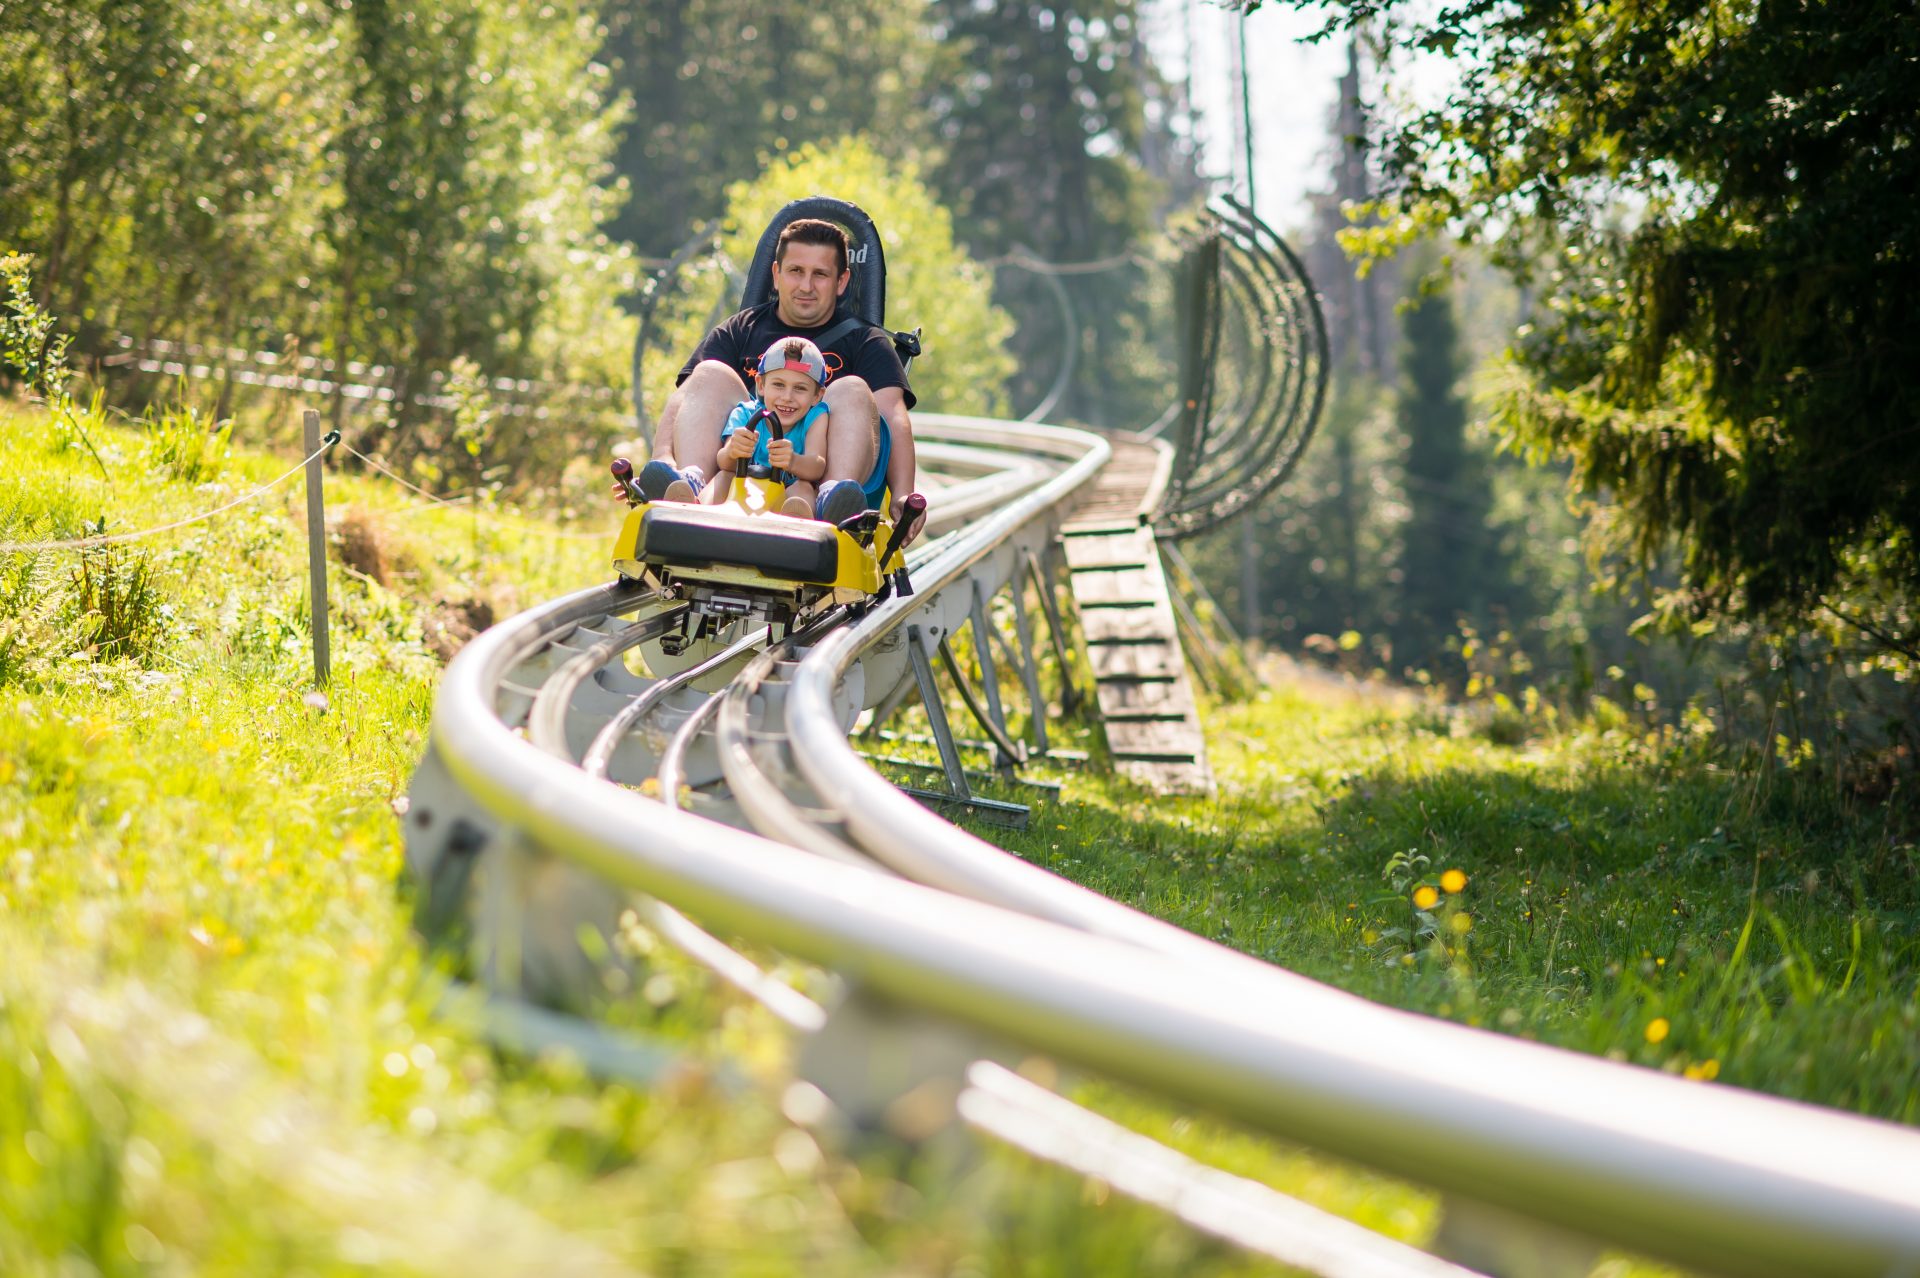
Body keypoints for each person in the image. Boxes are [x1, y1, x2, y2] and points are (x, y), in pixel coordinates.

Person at [636, 217, 926, 542]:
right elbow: (688, 396)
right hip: (739, 471)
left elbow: (892, 414)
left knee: (853, 387)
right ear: (776, 274)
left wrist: (903, 493)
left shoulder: (865, 341)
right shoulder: (739, 330)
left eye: (820, 274)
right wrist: (661, 456)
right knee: (708, 373)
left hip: (815, 476)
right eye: (796, 271)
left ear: (842, 281)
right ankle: (687, 484)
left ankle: (833, 499)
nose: (805, 286)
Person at [707, 336, 864, 522]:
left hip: (785, 498)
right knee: (724, 476)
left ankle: (796, 522)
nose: (787, 397)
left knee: (803, 487)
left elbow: (817, 466)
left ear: (817, 396)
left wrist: (792, 461)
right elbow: (723, 461)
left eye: (800, 388)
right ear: (761, 385)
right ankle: (692, 506)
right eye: (779, 385)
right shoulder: (746, 414)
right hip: (742, 495)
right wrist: (734, 452)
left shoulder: (815, 417)